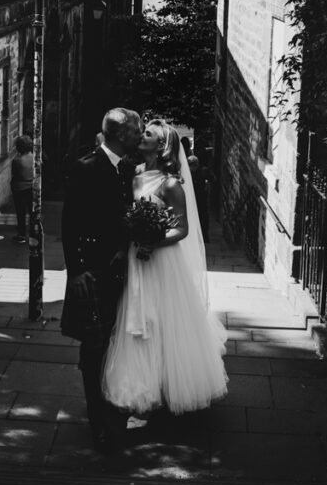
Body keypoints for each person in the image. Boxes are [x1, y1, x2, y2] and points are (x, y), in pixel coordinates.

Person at [102, 118, 227, 415]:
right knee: (137, 319)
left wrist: (151, 242)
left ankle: (170, 385)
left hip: (160, 260)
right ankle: (141, 385)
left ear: (161, 145)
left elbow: (181, 229)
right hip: (137, 258)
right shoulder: (134, 173)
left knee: (162, 320)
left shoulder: (171, 185)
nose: (141, 135)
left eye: (147, 133)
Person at [60, 107, 143, 451]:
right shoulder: (86, 167)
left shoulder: (124, 168)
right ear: (122, 134)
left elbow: (121, 216)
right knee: (93, 346)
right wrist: (76, 269)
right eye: (137, 130)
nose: (140, 135)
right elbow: (69, 223)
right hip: (90, 271)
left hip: (115, 269)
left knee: (110, 339)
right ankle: (97, 420)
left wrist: (124, 249)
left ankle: (109, 404)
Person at [10, 135, 33, 244]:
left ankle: (22, 234)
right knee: (32, 212)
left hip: (19, 188)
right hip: (32, 187)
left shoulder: (17, 160)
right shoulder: (35, 158)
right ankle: (33, 232)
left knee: (21, 212)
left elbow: (15, 174)